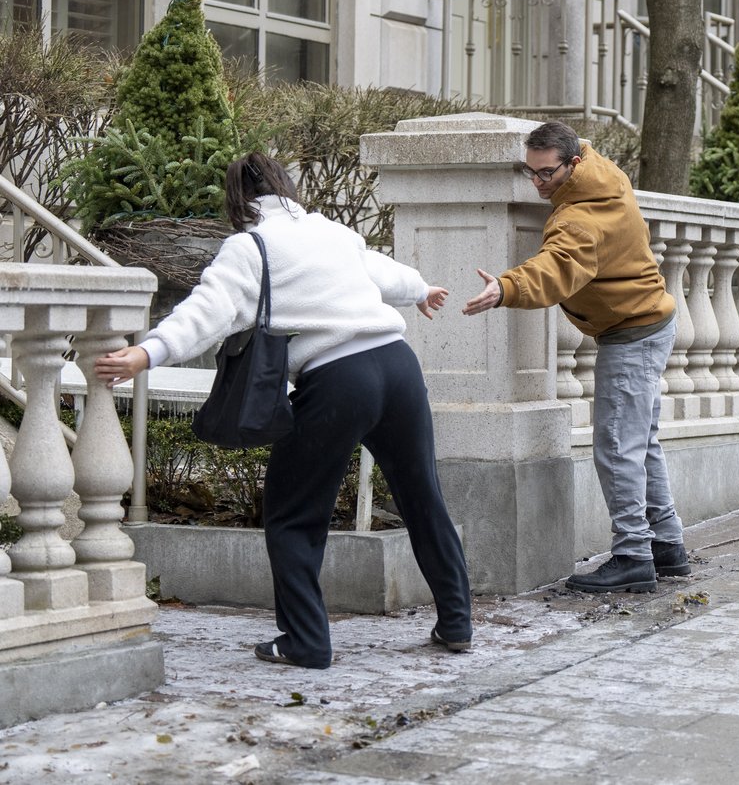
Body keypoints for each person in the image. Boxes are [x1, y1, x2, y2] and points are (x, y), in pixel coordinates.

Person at [95, 152, 473, 669]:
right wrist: (421, 289)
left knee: (293, 514)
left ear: (237, 199)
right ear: (286, 187)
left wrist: (148, 352)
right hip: (398, 365)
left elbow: (208, 311)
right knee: (423, 496)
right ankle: (456, 623)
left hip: (339, 378)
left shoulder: (249, 247)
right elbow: (381, 271)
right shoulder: (332, 231)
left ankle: (306, 642)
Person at [463, 121, 688, 594]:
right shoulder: (604, 174)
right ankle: (667, 545)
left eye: (547, 173)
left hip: (631, 333)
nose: (537, 183)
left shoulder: (579, 219)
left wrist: (505, 287)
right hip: (651, 320)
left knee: (616, 447)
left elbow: (556, 267)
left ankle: (633, 554)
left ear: (573, 162)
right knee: (640, 442)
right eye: (530, 172)